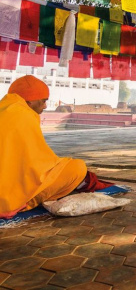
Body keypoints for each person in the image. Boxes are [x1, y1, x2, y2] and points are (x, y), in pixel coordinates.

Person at [0, 76, 112, 219]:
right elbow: (37, 166)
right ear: (30, 99)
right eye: (44, 100)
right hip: (6, 200)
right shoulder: (24, 115)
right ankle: (23, 204)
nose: (45, 106)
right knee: (77, 168)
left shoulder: (4, 108)